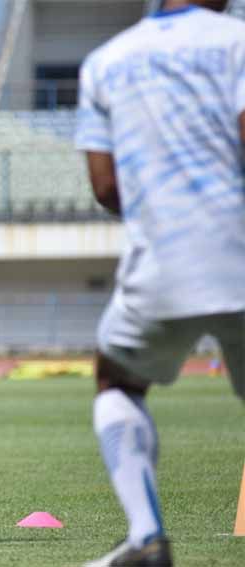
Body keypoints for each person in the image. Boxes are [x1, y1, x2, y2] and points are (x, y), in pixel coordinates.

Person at [75, 1, 245, 565]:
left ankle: (147, 537)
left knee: (118, 380)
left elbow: (104, 186)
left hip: (164, 259)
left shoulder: (105, 60)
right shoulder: (236, 41)